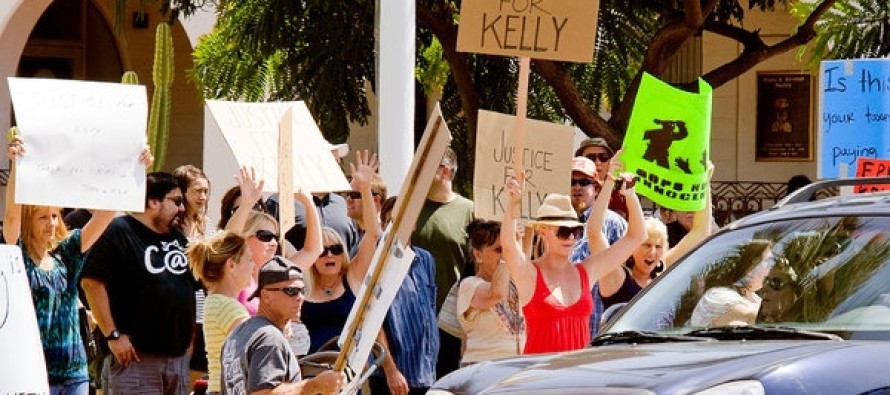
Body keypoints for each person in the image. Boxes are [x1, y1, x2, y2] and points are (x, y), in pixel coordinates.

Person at [2, 136, 151, 394]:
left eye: (53, 216)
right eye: (41, 217)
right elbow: (12, 215)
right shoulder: (19, 258)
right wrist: (17, 165)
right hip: (34, 371)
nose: (50, 223)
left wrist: (134, 168)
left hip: (75, 372)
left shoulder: (66, 253)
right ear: (29, 221)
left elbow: (106, 214)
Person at [501, 169, 646, 354]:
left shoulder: (586, 271)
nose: (570, 238)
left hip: (577, 377)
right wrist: (512, 202)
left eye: (575, 232)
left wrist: (630, 194)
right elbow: (509, 246)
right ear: (543, 231)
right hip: (541, 377)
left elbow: (637, 236)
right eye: (563, 231)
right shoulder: (530, 274)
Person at [80, 171, 195, 395]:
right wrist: (112, 335)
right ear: (153, 201)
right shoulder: (119, 230)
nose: (182, 209)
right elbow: (91, 283)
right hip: (137, 360)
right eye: (177, 201)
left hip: (177, 361)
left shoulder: (177, 238)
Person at [596, 162, 715, 314]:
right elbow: (595, 233)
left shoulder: (662, 269)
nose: (652, 253)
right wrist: (610, 180)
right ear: (631, 247)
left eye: (658, 247)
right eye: (646, 245)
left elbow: (700, 233)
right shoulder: (616, 277)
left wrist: (705, 182)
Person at [220, 257, 345, 395]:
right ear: (266, 296)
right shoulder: (269, 338)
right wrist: (314, 386)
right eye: (291, 291)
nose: (300, 297)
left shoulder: (237, 334)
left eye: (302, 291)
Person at [301, 151, 378, 354]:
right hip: (309, 374)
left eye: (335, 249)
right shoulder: (302, 287)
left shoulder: (351, 277)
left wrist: (366, 188)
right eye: (322, 252)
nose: (329, 255)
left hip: (346, 373)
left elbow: (372, 234)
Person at [411, 146, 474, 377]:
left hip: (450, 320)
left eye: (425, 166)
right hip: (412, 317)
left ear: (445, 171)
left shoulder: (469, 211)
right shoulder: (410, 208)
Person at [370, 196, 439, 395]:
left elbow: (429, 313)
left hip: (425, 371)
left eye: (405, 219)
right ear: (384, 224)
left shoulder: (426, 260)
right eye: (392, 220)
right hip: (392, 375)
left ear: (415, 223)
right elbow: (372, 322)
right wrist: (391, 370)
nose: (399, 225)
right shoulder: (377, 264)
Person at [185, 231, 252, 395]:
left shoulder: (215, 301)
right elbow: (255, 349)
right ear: (231, 265)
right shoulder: (228, 307)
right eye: (249, 260)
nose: (254, 265)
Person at [568, 156, 627, 337]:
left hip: (600, 330)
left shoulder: (614, 223)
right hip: (566, 331)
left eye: (584, 182)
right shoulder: (555, 225)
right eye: (572, 181)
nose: (577, 187)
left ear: (596, 188)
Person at [457, 219, 525, 365]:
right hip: (483, 369)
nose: (504, 253)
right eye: (498, 250)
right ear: (477, 255)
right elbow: (496, 294)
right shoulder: (469, 285)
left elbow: (524, 260)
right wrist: (508, 248)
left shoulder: (513, 282)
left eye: (505, 249)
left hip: (515, 369)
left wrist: (520, 236)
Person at [689, 239, 774, 327]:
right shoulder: (717, 296)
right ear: (751, 265)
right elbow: (761, 317)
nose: (772, 266)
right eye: (768, 261)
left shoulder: (754, 298)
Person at [575, 137, 627, 218]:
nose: (598, 162)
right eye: (591, 158)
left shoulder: (621, 194)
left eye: (603, 157)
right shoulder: (571, 191)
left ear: (610, 162)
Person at [173, 164, 212, 240]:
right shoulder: (170, 225)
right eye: (198, 191)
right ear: (181, 191)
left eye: (205, 191)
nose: (203, 197)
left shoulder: (206, 224)